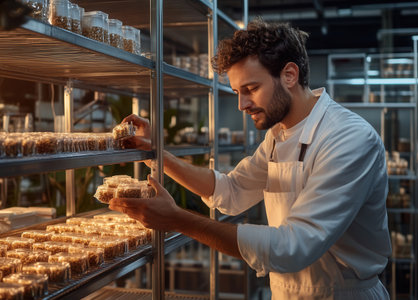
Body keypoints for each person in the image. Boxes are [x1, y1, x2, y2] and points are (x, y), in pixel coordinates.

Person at [109, 19, 391, 299]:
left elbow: (296, 246)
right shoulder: (278, 135)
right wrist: (159, 156)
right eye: (237, 92)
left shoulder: (348, 138)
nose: (241, 105)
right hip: (286, 291)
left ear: (289, 75)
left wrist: (178, 220)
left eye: (251, 89)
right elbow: (231, 191)